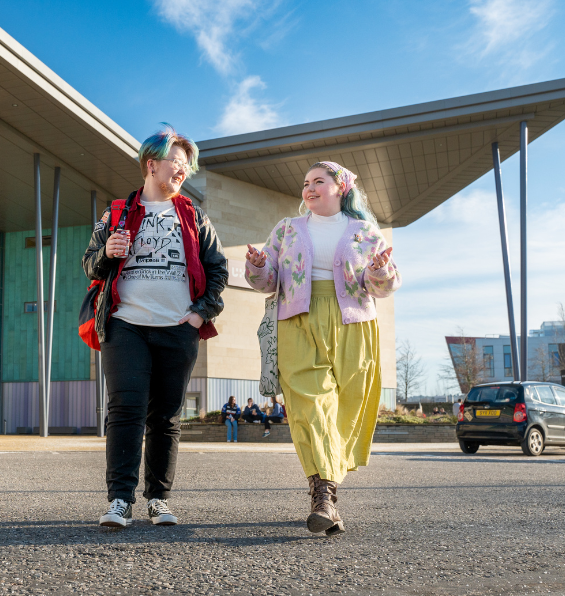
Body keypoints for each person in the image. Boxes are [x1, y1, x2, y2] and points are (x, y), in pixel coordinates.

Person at [82, 125, 228, 528]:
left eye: (187, 167)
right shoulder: (115, 213)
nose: (183, 172)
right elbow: (89, 263)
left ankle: (158, 499)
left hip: (177, 327)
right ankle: (119, 500)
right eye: (176, 164)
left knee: (165, 417)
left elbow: (219, 269)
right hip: (124, 323)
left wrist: (201, 313)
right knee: (125, 409)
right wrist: (106, 254)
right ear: (152, 164)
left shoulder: (195, 217)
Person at [245, 160, 401, 535]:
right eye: (306, 183)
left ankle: (327, 489)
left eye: (318, 181)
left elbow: (382, 287)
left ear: (341, 187)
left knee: (346, 409)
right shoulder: (286, 229)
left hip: (354, 324)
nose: (309, 189)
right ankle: (324, 496)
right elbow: (265, 282)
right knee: (309, 407)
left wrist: (380, 271)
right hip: (296, 320)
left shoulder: (364, 232)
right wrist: (259, 264)